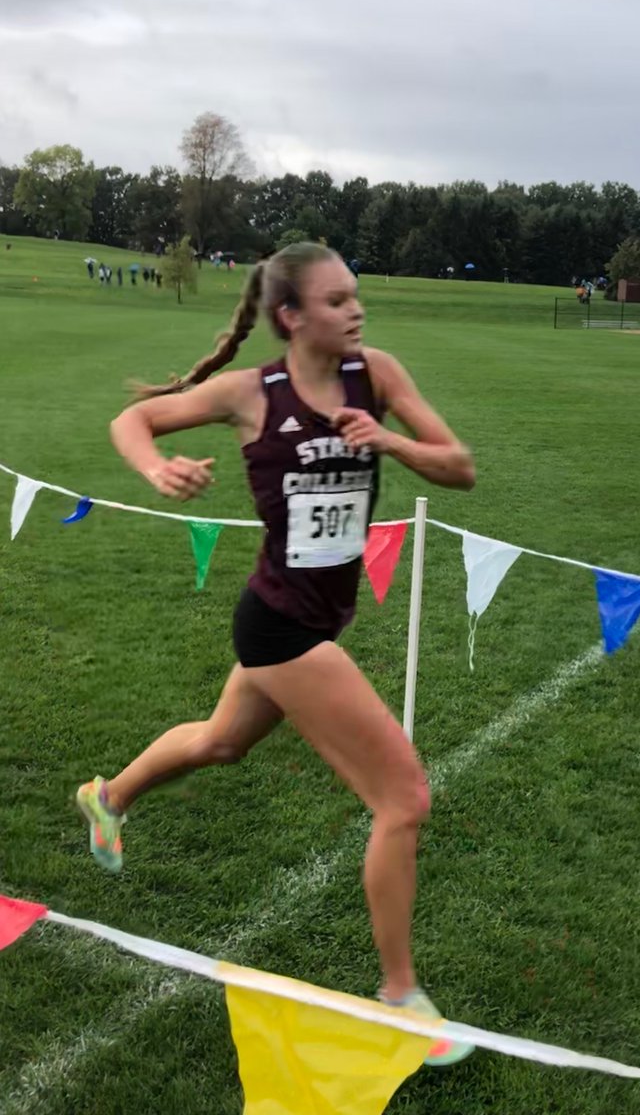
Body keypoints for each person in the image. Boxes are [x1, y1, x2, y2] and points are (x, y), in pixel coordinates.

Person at [75, 242, 476, 1065]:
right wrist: (156, 468)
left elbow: (460, 467)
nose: (355, 312)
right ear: (291, 316)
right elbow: (134, 419)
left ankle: (107, 796)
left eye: (357, 297)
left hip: (311, 619)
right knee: (403, 799)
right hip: (280, 626)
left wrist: (390, 444)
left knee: (222, 742)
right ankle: (401, 996)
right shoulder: (250, 394)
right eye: (336, 301)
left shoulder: (379, 376)